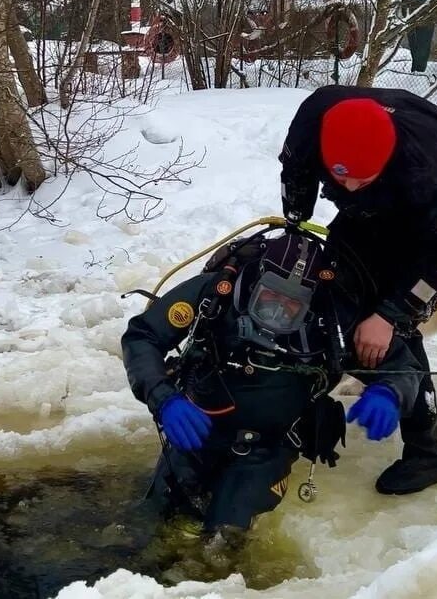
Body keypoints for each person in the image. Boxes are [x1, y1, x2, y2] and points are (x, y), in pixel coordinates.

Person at [121, 229, 420, 540]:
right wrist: (164, 397)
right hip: (195, 429)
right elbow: (142, 337)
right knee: (156, 527)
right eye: (270, 296)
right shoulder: (218, 292)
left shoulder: (332, 316)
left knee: (225, 540)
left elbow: (404, 367)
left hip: (268, 446)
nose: (278, 309)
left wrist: (390, 393)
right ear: (255, 280)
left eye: (292, 304)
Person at [278, 85, 437, 495]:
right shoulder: (310, 126)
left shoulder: (428, 178)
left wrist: (390, 314)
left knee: (390, 315)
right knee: (331, 279)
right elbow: (296, 178)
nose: (350, 188)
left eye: (362, 178)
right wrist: (295, 227)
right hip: (378, 186)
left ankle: (427, 454)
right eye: (341, 177)